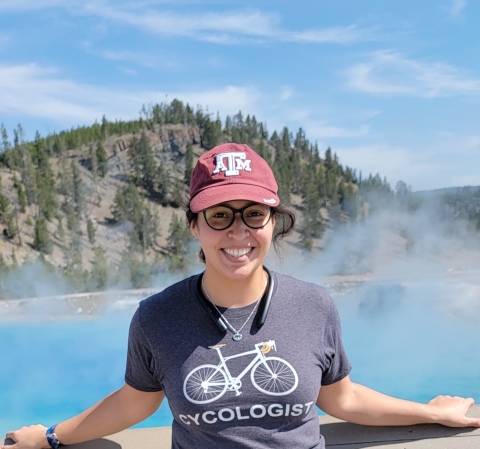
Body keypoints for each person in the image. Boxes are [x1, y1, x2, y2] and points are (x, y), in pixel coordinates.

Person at [3, 142, 479, 449]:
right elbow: (135, 402)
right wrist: (50, 437)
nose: (238, 231)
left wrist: (433, 413)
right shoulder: (156, 316)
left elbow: (343, 400)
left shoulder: (314, 305)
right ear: (194, 225)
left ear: (274, 222)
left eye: (253, 213)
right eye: (219, 215)